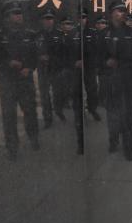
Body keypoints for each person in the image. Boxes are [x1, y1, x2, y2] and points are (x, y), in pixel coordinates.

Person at [0, 4, 41, 159]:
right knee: (9, 115)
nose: (19, 16)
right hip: (7, 81)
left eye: (20, 14)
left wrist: (29, 68)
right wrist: (7, 63)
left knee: (30, 111)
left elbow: (36, 55)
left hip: (25, 80)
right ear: (8, 17)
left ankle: (33, 138)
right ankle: (12, 147)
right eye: (15, 14)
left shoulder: (30, 35)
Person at [103, 3, 132, 160]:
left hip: (127, 80)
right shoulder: (104, 33)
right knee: (112, 114)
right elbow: (95, 56)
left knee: (127, 115)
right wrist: (105, 62)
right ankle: (113, 141)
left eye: (124, 11)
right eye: (119, 11)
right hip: (110, 80)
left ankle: (129, 148)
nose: (123, 13)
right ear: (112, 13)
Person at [56, 16, 85, 154]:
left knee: (78, 100)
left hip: (79, 73)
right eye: (65, 24)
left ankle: (80, 142)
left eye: (70, 24)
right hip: (68, 72)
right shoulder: (60, 38)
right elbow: (59, 57)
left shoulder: (77, 36)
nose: (68, 26)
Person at [36, 9, 60, 127]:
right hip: (42, 69)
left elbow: (64, 52)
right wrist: (39, 57)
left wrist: (50, 57)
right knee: (45, 95)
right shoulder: (38, 35)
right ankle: (47, 119)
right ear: (42, 21)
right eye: (46, 19)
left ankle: (59, 112)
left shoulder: (59, 34)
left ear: (54, 20)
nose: (48, 21)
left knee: (58, 94)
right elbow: (33, 51)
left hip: (55, 69)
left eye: (50, 18)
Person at [80, 11, 101, 121]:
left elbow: (97, 50)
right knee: (79, 90)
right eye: (80, 17)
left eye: (84, 17)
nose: (82, 19)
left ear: (86, 19)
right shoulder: (73, 32)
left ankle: (93, 109)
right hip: (78, 66)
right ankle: (82, 111)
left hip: (90, 66)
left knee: (92, 89)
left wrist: (95, 64)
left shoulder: (92, 32)